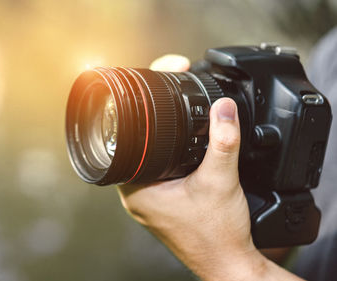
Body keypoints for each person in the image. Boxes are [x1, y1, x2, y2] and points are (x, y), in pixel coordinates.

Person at [117, 30, 337, 281]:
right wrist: (181, 156)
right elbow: (273, 246)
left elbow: (241, 261)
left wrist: (225, 263)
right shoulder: (331, 54)